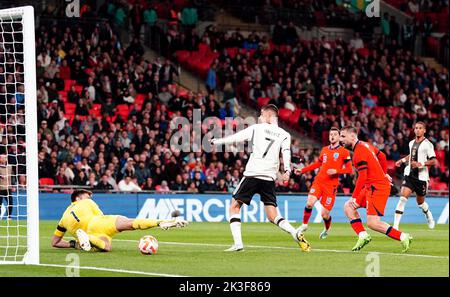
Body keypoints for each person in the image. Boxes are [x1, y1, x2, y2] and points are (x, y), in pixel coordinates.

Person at [211, 104, 310, 252]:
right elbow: (286, 153)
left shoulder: (257, 128)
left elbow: (236, 138)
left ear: (269, 116)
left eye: (261, 115)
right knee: (272, 215)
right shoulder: (285, 134)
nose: (259, 117)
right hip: (269, 178)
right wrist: (288, 171)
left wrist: (217, 141)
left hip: (253, 173)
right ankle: (295, 233)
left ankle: (238, 244)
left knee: (234, 206)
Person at [340, 126, 412, 253]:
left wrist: (354, 196)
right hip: (371, 186)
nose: (341, 140)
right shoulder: (365, 145)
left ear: (352, 136)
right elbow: (383, 156)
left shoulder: (358, 153)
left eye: (343, 136)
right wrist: (384, 173)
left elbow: (362, 176)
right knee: (348, 207)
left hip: (377, 187)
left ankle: (403, 236)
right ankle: (363, 236)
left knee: (373, 223)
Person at [51, 189, 188, 252]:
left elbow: (55, 242)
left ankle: (88, 239)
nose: (90, 197)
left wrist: (73, 244)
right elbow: (101, 216)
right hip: (99, 223)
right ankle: (160, 222)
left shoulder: (62, 219)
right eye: (88, 195)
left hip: (88, 231)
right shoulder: (87, 202)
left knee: (106, 246)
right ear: (78, 198)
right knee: (129, 222)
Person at [294, 128, 352, 239]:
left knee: (324, 214)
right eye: (331, 134)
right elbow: (318, 164)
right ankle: (304, 225)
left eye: (335, 134)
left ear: (339, 137)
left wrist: (336, 171)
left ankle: (327, 228)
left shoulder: (344, 152)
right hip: (319, 182)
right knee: (309, 203)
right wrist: (302, 170)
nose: (332, 136)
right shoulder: (324, 150)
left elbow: (349, 170)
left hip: (331, 186)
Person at [393, 122, 438, 229]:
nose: (417, 130)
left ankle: (428, 215)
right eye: (416, 128)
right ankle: (395, 227)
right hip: (410, 175)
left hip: (421, 178)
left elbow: (434, 161)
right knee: (402, 198)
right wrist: (402, 160)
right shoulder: (411, 143)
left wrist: (420, 164)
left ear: (424, 130)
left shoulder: (428, 144)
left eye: (420, 128)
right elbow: (411, 155)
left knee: (420, 204)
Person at [0, 155, 12, 220]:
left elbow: (12, 176)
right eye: (3, 157)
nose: (5, 159)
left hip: (8, 188)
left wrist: (12, 185)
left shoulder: (10, 167)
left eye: (5, 157)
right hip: (1, 188)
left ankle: (9, 217)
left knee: (10, 203)